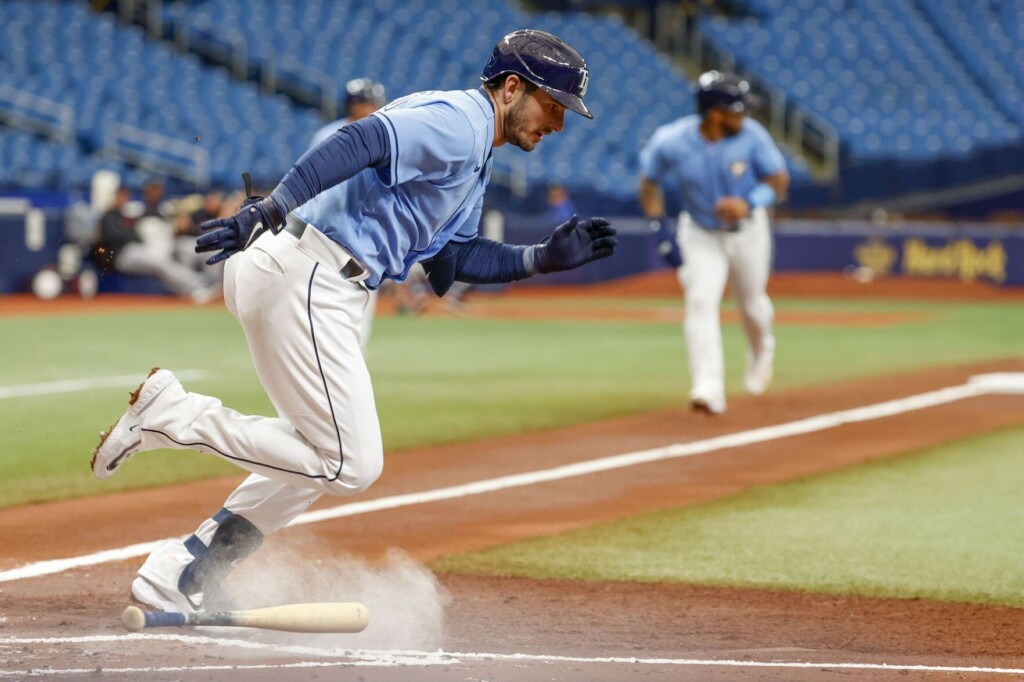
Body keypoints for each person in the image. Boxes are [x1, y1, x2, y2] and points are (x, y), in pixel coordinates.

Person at [91, 29, 616, 614]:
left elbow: (450, 262)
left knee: (315, 454)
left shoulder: (476, 153)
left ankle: (187, 570)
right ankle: (172, 417)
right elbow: (360, 139)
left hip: (311, 276)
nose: (558, 124)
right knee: (350, 462)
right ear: (512, 88)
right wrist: (271, 206)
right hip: (310, 271)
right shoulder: (460, 120)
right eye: (553, 105)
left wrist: (540, 259)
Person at [638, 70, 789, 415]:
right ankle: (708, 386)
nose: (745, 115)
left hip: (748, 229)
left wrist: (749, 202)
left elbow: (778, 180)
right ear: (716, 114)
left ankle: (761, 349)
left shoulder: (752, 136)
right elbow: (649, 182)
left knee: (752, 304)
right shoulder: (672, 140)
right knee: (701, 302)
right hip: (701, 232)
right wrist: (659, 228)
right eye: (739, 108)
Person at [296, 77, 389, 352]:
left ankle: (345, 366)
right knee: (319, 310)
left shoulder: (380, 135)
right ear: (356, 104)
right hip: (327, 237)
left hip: (362, 241)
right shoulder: (331, 135)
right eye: (368, 102)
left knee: (358, 318)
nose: (374, 107)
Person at [92, 185, 215, 303]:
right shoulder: (110, 216)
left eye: (125, 196)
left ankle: (208, 283)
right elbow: (114, 237)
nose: (123, 199)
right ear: (114, 196)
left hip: (143, 248)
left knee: (188, 249)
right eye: (120, 196)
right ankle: (198, 285)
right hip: (123, 254)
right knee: (159, 260)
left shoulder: (137, 213)